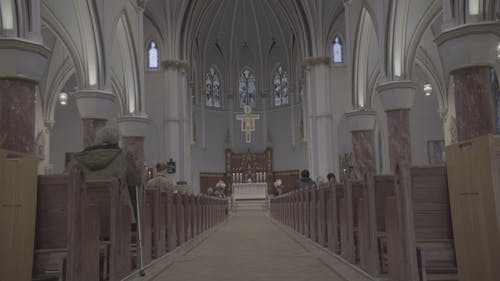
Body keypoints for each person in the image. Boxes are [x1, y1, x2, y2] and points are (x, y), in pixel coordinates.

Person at [66, 127, 140, 220]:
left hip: (84, 214)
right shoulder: (123, 157)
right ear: (116, 141)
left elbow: (65, 182)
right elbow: (135, 181)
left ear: (97, 141)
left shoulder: (76, 160)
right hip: (118, 214)